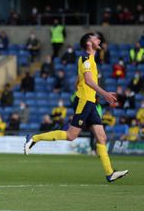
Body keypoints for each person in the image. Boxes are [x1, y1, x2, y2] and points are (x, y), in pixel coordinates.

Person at [24, 32, 128, 182]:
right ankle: (34, 138)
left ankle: (109, 173)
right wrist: (105, 93)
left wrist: (99, 95)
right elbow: (88, 81)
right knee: (71, 135)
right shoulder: (85, 58)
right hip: (84, 101)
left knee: (101, 137)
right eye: (95, 38)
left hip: (91, 102)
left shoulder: (92, 59)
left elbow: (86, 82)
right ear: (88, 43)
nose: (99, 40)